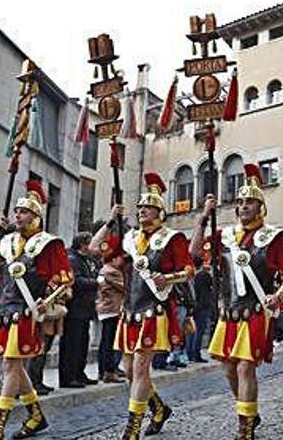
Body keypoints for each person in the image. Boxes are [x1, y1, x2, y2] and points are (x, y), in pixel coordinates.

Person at [192, 164, 283, 440]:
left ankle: (245, 427)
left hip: (255, 310)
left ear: (261, 206)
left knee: (244, 366)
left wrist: (278, 296)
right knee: (228, 368)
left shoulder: (275, 237)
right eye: (239, 202)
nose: (243, 206)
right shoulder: (224, 236)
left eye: (249, 201)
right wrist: (204, 217)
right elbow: (194, 253)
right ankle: (249, 411)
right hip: (228, 312)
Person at [90, 173, 194, 439]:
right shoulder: (130, 240)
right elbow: (94, 247)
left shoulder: (173, 238)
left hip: (154, 310)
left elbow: (189, 270)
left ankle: (132, 427)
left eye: (146, 208)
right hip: (129, 311)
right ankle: (158, 408)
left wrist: (167, 277)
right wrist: (113, 219)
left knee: (139, 368)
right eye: (139, 209)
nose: (141, 212)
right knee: (128, 370)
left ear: (159, 211)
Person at [0, 180, 73, 440]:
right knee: (15, 368)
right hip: (4, 311)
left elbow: (65, 279)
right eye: (16, 211)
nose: (17, 215)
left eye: (24, 211)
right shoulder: (6, 242)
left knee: (10, 365)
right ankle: (36, 416)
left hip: (26, 312)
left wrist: (46, 299)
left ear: (36, 215)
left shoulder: (49, 244)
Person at [58, 233, 98, 388]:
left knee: (82, 343)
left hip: (84, 309)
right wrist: (96, 282)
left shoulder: (84, 260)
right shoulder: (73, 259)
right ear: (83, 244)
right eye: (89, 243)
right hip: (75, 309)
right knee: (71, 344)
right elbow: (77, 281)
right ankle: (68, 377)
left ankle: (79, 373)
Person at [95, 236, 126, 383]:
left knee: (105, 342)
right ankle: (108, 371)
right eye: (119, 258)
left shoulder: (105, 270)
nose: (122, 261)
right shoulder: (111, 271)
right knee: (109, 342)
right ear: (113, 259)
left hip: (107, 309)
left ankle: (105, 370)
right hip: (111, 309)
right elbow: (124, 288)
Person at [185, 257, 214, 363]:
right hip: (203, 305)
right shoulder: (204, 275)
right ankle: (196, 354)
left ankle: (190, 353)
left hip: (193, 305)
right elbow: (212, 285)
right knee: (199, 330)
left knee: (191, 330)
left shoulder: (191, 276)